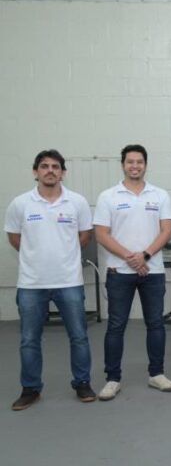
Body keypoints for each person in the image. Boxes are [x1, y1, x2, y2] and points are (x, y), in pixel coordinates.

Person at [4, 149, 96, 410]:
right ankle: (31, 388)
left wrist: (62, 257)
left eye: (55, 166)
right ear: (35, 172)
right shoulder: (20, 204)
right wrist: (37, 257)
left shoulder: (76, 202)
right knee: (29, 339)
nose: (50, 171)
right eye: (44, 166)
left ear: (63, 172)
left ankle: (82, 383)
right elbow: (14, 238)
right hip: (31, 284)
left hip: (69, 281)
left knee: (78, 336)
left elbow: (85, 235)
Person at [93, 144, 171, 400]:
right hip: (119, 271)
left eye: (139, 162)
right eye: (130, 162)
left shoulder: (160, 195)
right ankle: (112, 379)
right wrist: (131, 258)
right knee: (116, 325)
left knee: (155, 324)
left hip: (153, 270)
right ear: (123, 165)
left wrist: (145, 256)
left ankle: (157, 374)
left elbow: (166, 230)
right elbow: (101, 234)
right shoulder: (108, 196)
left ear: (145, 165)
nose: (135, 166)